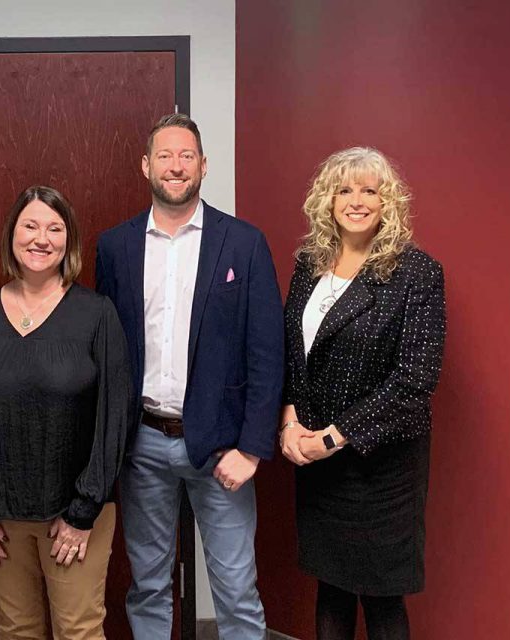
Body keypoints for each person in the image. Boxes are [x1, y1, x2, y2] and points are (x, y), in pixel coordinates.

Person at [96, 113, 284, 639]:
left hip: (222, 448)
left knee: (236, 588)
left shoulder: (243, 243)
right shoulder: (116, 246)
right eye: (165, 156)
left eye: (186, 156)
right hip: (143, 446)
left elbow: (267, 353)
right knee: (149, 586)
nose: (175, 167)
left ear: (203, 165)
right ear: (145, 166)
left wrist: (250, 448)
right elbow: (108, 352)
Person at [0, 185, 132, 640]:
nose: (41, 238)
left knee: (78, 630)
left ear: (69, 241)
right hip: (0, 517)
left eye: (55, 228)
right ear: (12, 233)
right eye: (30, 225)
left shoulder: (96, 314)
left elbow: (115, 417)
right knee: (15, 629)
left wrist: (83, 511)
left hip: (74, 514)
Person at [279, 147, 446, 640]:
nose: (357, 200)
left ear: (387, 201)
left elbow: (415, 380)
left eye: (369, 190)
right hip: (317, 461)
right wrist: (290, 422)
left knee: (380, 595)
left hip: (380, 468)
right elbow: (290, 351)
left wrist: (332, 437)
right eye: (345, 189)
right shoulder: (308, 264)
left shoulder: (416, 272)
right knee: (330, 586)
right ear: (326, 201)